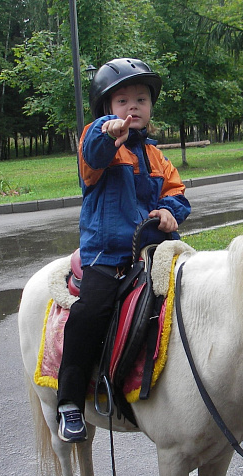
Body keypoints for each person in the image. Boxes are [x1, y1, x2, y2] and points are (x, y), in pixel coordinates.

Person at [57, 58, 191, 442]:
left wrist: (168, 210)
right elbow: (94, 154)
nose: (133, 107)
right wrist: (106, 130)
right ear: (105, 108)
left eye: (141, 99)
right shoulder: (96, 142)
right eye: (122, 101)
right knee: (91, 313)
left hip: (152, 253)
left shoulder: (156, 156)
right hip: (107, 256)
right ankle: (69, 402)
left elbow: (177, 192)